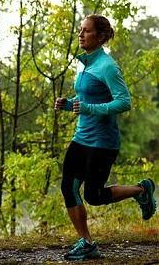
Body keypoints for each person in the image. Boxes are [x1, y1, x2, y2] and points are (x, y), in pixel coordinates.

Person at [55, 14, 156, 261]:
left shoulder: (108, 66)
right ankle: (87, 243)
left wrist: (90, 109)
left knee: (93, 196)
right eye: (80, 30)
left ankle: (141, 190)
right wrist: (70, 104)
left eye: (86, 31)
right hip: (82, 137)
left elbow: (124, 102)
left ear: (100, 37)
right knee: (68, 187)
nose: (80, 35)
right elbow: (88, 100)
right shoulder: (84, 64)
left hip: (103, 143)